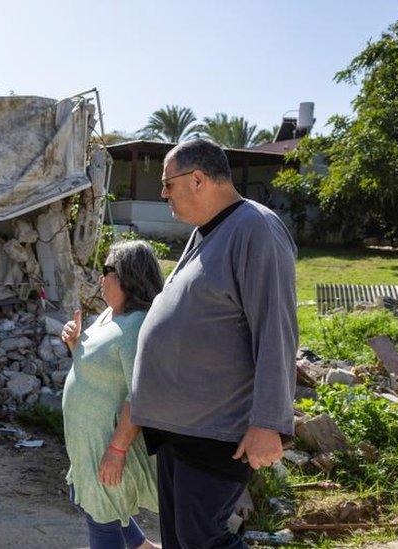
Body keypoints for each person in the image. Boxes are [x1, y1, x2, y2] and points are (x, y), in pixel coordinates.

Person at [130, 139, 298, 548]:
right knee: (180, 540)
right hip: (181, 431)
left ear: (198, 179)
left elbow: (276, 330)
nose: (164, 194)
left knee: (201, 539)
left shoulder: (256, 229)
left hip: (216, 431)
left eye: (168, 184)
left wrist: (269, 422)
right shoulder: (206, 232)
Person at [61, 240, 163, 549]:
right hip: (88, 442)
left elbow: (141, 394)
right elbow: (97, 366)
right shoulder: (110, 314)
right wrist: (75, 342)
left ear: (127, 276)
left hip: (108, 443)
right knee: (93, 502)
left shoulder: (136, 326)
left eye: (107, 269)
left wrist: (117, 451)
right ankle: (142, 547)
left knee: (102, 518)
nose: (100, 276)